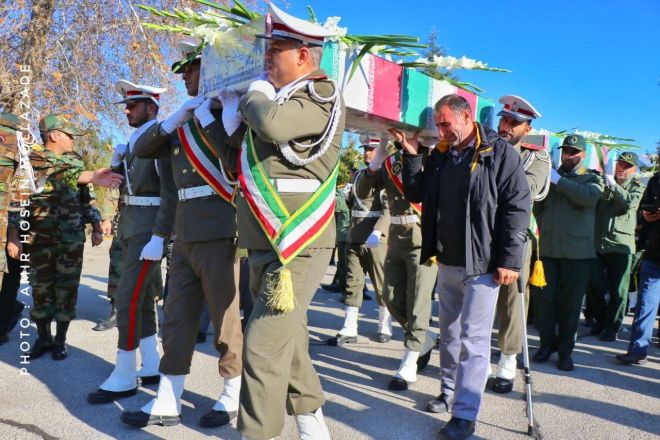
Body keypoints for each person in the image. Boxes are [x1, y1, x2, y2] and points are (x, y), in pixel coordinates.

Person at [212, 4, 345, 438]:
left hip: (297, 243)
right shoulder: (278, 97)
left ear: (305, 56)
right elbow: (237, 157)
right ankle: (312, 422)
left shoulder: (319, 94)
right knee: (289, 340)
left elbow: (269, 124)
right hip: (264, 238)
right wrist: (217, 115)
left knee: (264, 348)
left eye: (278, 49)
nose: (268, 58)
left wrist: (252, 95)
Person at [121, 41, 244, 429]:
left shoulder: (230, 112)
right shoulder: (183, 121)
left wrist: (211, 116)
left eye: (191, 69)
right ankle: (169, 396)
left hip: (222, 228)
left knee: (225, 318)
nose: (186, 77)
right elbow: (142, 149)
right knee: (176, 316)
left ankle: (231, 394)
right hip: (185, 233)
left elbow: (236, 164)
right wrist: (173, 119)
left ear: (210, 71)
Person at [397, 94, 530, 440]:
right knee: (450, 334)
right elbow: (417, 193)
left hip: (484, 264)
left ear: (467, 116)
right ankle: (448, 392)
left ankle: (465, 413)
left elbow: (518, 207)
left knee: (473, 338)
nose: (441, 130)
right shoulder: (441, 154)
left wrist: (510, 260)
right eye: (437, 125)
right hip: (448, 260)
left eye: (446, 123)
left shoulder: (499, 153)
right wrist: (412, 155)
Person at [87, 80, 177, 404]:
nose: (126, 110)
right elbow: (128, 186)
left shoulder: (161, 142)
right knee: (144, 299)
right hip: (132, 228)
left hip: (147, 231)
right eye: (127, 105)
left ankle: (124, 375)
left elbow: (170, 192)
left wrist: (159, 236)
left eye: (133, 105)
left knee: (126, 300)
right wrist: (117, 163)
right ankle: (150, 364)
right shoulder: (136, 141)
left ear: (151, 109)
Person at [27, 114, 105, 361]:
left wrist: (96, 223)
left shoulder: (75, 160)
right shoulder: (33, 157)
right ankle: (43, 338)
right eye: (69, 135)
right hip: (39, 236)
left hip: (71, 235)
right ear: (54, 135)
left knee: (67, 288)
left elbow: (87, 196)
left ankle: (60, 341)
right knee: (40, 289)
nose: (73, 140)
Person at [490, 95, 550, 393]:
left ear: (527, 129)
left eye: (514, 123)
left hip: (515, 235)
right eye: (504, 119)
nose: (506, 126)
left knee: (513, 299)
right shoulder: (485, 147)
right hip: (484, 232)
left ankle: (508, 360)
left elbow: (529, 190)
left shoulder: (536, 156)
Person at [531, 134, 604, 371]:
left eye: (573, 152)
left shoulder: (591, 179)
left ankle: (565, 352)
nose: (568, 155)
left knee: (570, 306)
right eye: (565, 151)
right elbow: (537, 206)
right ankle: (546, 345)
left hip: (577, 255)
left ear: (583, 154)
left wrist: (557, 182)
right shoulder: (550, 177)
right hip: (549, 252)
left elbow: (589, 198)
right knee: (544, 303)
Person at [328, 136, 391, 346]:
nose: (367, 152)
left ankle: (384, 325)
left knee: (381, 284)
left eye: (372, 149)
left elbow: (389, 207)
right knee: (353, 282)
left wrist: (379, 231)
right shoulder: (357, 175)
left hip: (375, 238)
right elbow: (350, 202)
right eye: (365, 148)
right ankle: (349, 327)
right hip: (355, 235)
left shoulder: (385, 176)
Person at [588, 152, 643, 341]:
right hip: (598, 244)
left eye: (627, 166)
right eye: (620, 164)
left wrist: (613, 186)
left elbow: (629, 204)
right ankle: (600, 320)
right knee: (593, 285)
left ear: (634, 170)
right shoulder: (605, 183)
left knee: (618, 290)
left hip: (621, 247)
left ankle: (612, 327)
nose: (622, 168)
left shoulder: (637, 187)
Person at [616, 170, 659, 364]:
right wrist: (645, 215)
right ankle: (638, 350)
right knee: (645, 304)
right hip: (654, 252)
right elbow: (642, 208)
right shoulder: (656, 179)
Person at [92, 186, 121, 331]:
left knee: (148, 269)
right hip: (124, 223)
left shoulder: (160, 162)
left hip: (150, 221)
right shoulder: (122, 163)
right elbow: (114, 189)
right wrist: (107, 218)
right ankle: (116, 313)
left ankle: (148, 314)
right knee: (117, 264)